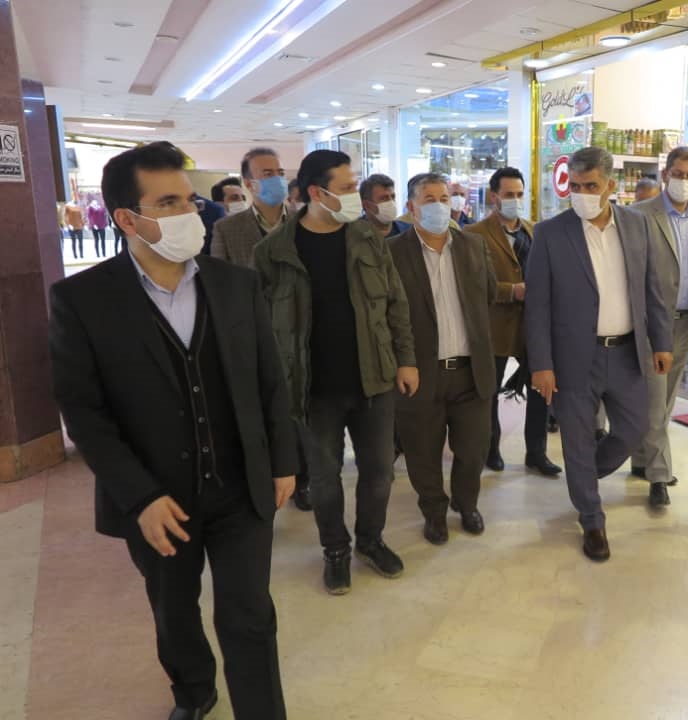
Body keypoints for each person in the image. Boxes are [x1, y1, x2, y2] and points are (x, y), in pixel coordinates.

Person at [48, 141, 297, 720]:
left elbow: (270, 380)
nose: (190, 213)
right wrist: (139, 496)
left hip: (240, 487)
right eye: (168, 203)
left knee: (250, 615)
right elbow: (84, 411)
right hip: (158, 497)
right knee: (173, 610)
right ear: (126, 218)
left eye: (189, 199)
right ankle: (194, 690)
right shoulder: (83, 300)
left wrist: (283, 459)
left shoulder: (235, 285)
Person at [254, 149, 417, 595]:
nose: (354, 196)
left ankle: (371, 540)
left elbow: (396, 304)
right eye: (345, 188)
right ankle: (335, 550)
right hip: (313, 388)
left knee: (379, 472)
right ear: (316, 192)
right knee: (325, 480)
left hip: (374, 378)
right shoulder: (273, 252)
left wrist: (406, 359)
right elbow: (259, 327)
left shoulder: (367, 238)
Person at [526, 146, 673, 562]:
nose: (582, 194)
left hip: (627, 354)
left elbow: (652, 287)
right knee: (575, 437)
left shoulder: (637, 225)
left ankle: (583, 473)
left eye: (590, 186)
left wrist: (661, 341)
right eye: (575, 186)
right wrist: (541, 365)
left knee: (635, 428)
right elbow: (537, 306)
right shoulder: (551, 233)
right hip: (574, 357)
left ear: (610, 185)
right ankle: (591, 518)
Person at [389, 172, 496, 546]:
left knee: (473, 449)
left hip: (470, 370)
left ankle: (467, 504)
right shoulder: (392, 252)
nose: (439, 205)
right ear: (411, 207)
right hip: (419, 372)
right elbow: (386, 313)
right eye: (429, 199)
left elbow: (488, 294)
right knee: (422, 450)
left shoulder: (473, 245)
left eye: (445, 198)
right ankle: (433, 511)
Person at [627, 147, 688, 503]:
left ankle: (641, 460)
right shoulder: (639, 215)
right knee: (655, 402)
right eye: (678, 174)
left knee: (665, 399)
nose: (684, 181)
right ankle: (659, 476)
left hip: (686, 322)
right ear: (665, 175)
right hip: (652, 324)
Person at [465, 167, 561, 477]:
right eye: (509, 194)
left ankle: (537, 452)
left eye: (519, 194)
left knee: (541, 390)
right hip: (494, 326)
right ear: (494, 196)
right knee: (489, 392)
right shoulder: (474, 234)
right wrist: (511, 291)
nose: (515, 200)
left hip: (533, 326)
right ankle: (490, 448)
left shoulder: (535, 230)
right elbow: (471, 284)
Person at [212, 148, 290, 268]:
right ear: (249, 184)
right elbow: (219, 274)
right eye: (268, 174)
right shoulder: (225, 229)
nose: (278, 180)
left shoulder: (304, 219)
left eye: (281, 173)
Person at [360, 173, 411, 238]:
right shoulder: (352, 234)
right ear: (366, 205)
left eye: (393, 197)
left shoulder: (409, 231)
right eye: (384, 198)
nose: (391, 202)